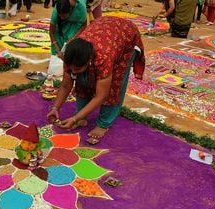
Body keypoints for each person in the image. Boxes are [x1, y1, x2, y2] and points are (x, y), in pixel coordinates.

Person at [46, 16, 145, 144]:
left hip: (125, 37)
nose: (73, 72)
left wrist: (74, 119)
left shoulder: (104, 58)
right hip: (104, 31)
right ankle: (82, 116)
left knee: (113, 85)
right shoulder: (72, 56)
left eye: (77, 68)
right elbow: (66, 85)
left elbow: (101, 96)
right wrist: (55, 108)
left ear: (89, 61)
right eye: (71, 69)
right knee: (82, 79)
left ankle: (104, 123)